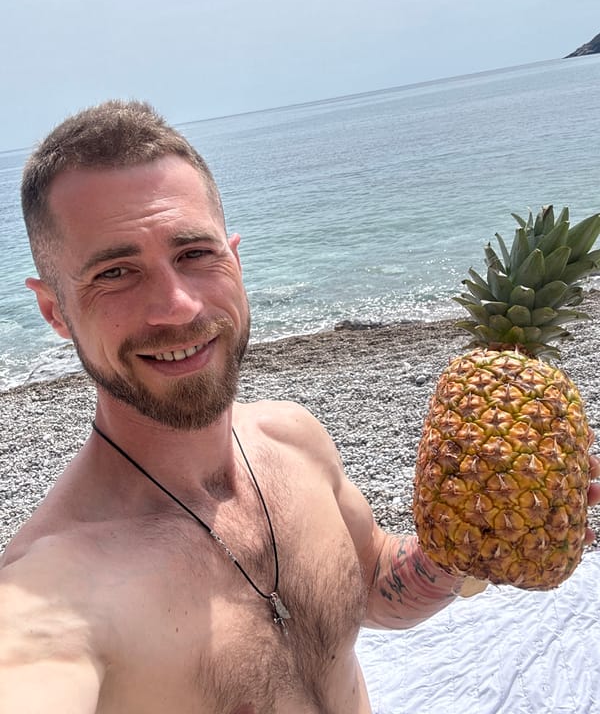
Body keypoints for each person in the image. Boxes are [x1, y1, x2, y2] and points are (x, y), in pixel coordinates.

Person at [0, 100, 598, 713]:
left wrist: (475, 534)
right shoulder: (49, 597)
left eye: (194, 254)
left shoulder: (294, 439)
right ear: (53, 311)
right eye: (117, 271)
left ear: (234, 258)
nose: (177, 307)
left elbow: (368, 587)